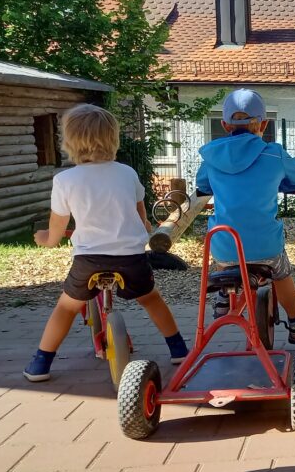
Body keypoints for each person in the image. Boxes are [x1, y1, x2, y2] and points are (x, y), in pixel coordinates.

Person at [24, 104, 188, 382]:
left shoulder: (65, 180)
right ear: (113, 138)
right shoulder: (127, 173)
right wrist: (144, 227)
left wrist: (46, 239)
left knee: (66, 307)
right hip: (131, 257)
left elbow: (56, 229)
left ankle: (41, 362)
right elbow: (140, 215)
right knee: (150, 298)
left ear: (69, 142)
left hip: (89, 260)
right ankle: (178, 348)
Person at [196, 89, 295, 344]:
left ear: (224, 125)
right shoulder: (274, 154)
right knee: (281, 273)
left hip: (225, 247)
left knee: (224, 238)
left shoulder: (211, 156)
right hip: (266, 248)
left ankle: (223, 296)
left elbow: (202, 185)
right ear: (263, 124)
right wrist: (280, 181)